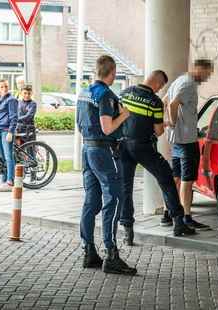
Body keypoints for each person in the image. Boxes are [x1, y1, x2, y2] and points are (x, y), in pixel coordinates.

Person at [119, 70, 196, 246]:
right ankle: (178, 222)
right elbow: (159, 131)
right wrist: (166, 123)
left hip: (123, 146)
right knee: (167, 178)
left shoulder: (125, 93)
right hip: (144, 147)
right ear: (157, 83)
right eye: (161, 86)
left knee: (125, 189)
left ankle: (128, 232)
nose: (160, 89)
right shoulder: (154, 101)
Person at [77, 55, 136, 275]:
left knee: (91, 201)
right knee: (115, 198)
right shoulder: (106, 95)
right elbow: (108, 128)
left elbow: (79, 125)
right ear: (111, 73)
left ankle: (89, 250)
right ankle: (111, 254)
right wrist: (125, 115)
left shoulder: (84, 93)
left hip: (87, 149)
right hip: (104, 151)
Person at [164, 59, 214, 229]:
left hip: (177, 140)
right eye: (207, 73)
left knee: (176, 178)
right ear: (198, 69)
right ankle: (186, 216)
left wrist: (172, 125)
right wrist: (172, 121)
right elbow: (172, 104)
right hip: (186, 141)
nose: (207, 77)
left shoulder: (179, 81)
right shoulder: (188, 84)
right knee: (187, 180)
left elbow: (164, 100)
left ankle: (167, 213)